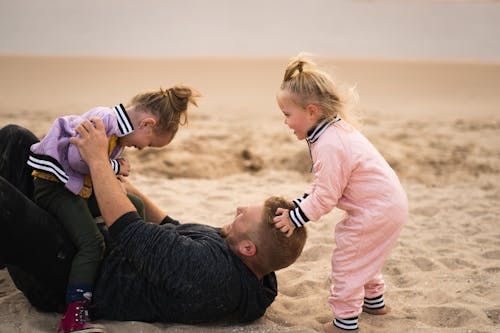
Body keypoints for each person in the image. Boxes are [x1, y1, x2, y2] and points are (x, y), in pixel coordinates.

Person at [0, 123, 307, 326]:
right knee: (16, 141)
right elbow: (169, 225)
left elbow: (130, 230)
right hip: (87, 241)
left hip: (68, 274)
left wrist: (98, 161)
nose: (238, 208)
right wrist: (121, 185)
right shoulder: (256, 266)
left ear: (248, 248)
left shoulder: (212, 276)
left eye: (243, 216)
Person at [26, 85, 200, 333]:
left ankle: (121, 260)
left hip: (76, 188)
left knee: (135, 204)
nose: (141, 149)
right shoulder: (103, 120)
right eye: (148, 144)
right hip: (55, 187)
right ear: (147, 124)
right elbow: (78, 156)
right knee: (92, 244)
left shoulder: (117, 132)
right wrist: (114, 167)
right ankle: (75, 312)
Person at [272, 54, 408, 332]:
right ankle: (374, 303)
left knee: (349, 259)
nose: (285, 123)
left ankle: (345, 323)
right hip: (389, 204)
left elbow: (326, 198)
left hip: (376, 209)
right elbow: (325, 185)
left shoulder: (329, 144)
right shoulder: (334, 131)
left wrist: (295, 219)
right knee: (366, 254)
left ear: (311, 111)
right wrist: (298, 204)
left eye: (287, 115)